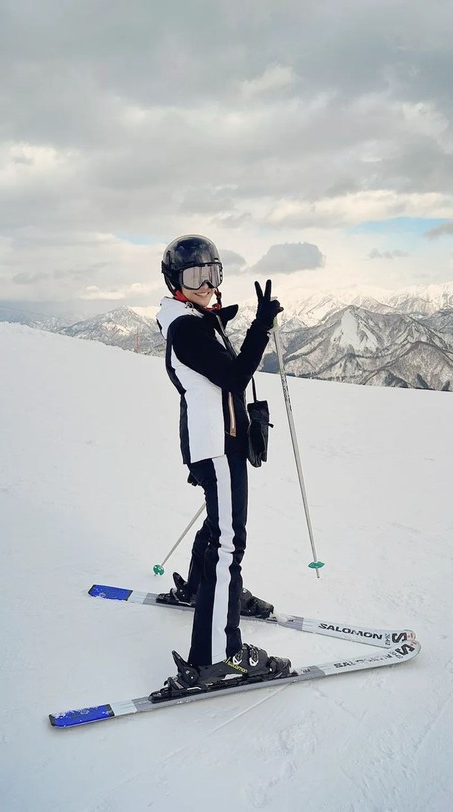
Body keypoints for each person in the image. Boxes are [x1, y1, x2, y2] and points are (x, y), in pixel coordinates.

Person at [154, 234, 292, 693]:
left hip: (212, 440)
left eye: (213, 273)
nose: (207, 284)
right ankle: (216, 657)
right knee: (230, 545)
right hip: (218, 445)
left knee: (221, 530)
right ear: (175, 280)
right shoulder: (187, 329)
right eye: (195, 276)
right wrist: (260, 328)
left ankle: (201, 590)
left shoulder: (192, 318)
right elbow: (234, 375)